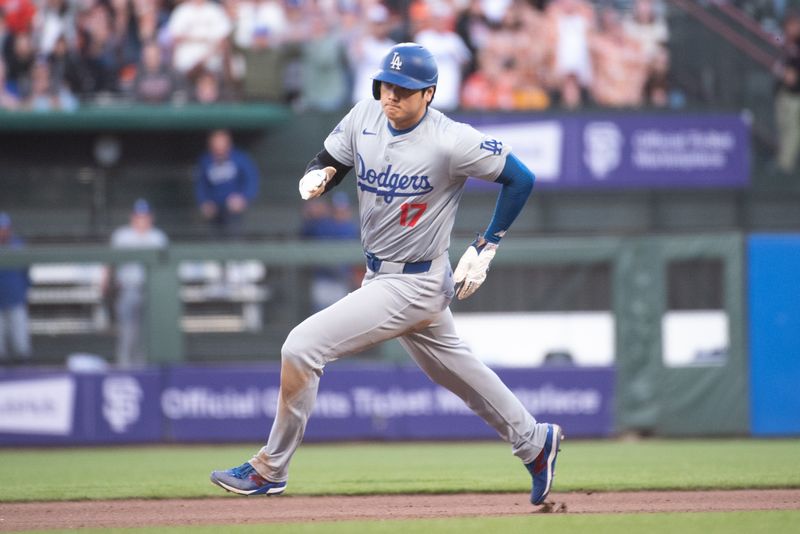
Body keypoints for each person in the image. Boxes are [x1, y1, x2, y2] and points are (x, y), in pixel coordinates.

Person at [210, 42, 563, 507]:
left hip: (415, 281)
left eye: (403, 89)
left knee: (301, 346)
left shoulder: (451, 139)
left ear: (429, 93)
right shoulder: (365, 117)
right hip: (380, 275)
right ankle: (535, 443)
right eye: (386, 85)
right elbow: (331, 159)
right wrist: (321, 174)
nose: (391, 95)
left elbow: (521, 178)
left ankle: (269, 468)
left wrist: (488, 242)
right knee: (458, 372)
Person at [106, 199, 168, 367]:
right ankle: (124, 366)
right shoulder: (122, 235)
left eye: (145, 216)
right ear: (132, 217)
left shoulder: (158, 236)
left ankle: (145, 368)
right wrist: (105, 283)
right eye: (138, 216)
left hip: (152, 291)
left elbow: (166, 267)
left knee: (149, 332)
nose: (141, 220)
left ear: (151, 217)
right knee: (127, 331)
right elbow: (109, 263)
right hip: (127, 288)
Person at [194, 129, 260, 238]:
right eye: (215, 144)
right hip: (214, 209)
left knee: (234, 235)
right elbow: (201, 185)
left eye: (222, 143)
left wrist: (243, 198)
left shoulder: (240, 158)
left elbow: (251, 180)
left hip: (235, 208)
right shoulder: (205, 161)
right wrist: (204, 202)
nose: (219, 148)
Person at [0, 213, 31, 364]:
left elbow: (26, 273)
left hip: (16, 299)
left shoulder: (18, 245)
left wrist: (24, 293)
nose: (3, 232)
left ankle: (23, 374)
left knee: (21, 345)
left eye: (5, 228)